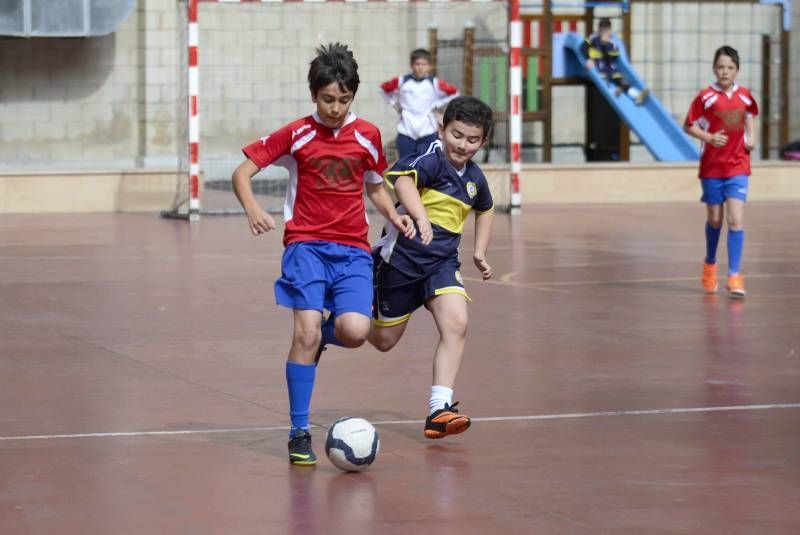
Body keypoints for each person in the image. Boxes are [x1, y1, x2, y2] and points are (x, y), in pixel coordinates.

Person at [231, 42, 415, 466]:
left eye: (344, 99)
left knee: (354, 332)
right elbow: (243, 171)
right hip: (306, 247)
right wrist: (254, 207)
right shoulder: (297, 133)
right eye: (328, 99)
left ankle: (316, 342)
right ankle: (299, 431)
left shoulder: (367, 135)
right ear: (314, 94)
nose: (335, 107)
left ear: (354, 95)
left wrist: (393, 213)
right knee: (305, 332)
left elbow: (372, 183)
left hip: (352, 250)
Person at [372, 96, 495, 439]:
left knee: (457, 322)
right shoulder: (432, 158)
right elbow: (402, 181)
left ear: (483, 142)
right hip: (402, 261)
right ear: (442, 129)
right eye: (457, 135)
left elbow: (486, 209)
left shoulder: (474, 178)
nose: (463, 144)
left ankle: (438, 410)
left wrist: (480, 251)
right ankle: (338, 324)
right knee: (382, 341)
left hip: (442, 263)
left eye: (473, 140)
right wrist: (421, 216)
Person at [684, 45, 757, 298]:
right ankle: (710, 264)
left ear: (737, 70)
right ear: (714, 69)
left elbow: (749, 114)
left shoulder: (746, 95)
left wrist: (751, 136)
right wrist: (709, 137)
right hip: (712, 168)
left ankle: (735, 276)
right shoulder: (705, 97)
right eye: (720, 67)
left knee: (735, 219)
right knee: (715, 219)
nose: (725, 72)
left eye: (730, 67)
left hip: (738, 166)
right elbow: (688, 125)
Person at [379, 48, 459, 160]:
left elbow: (454, 92)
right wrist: (395, 104)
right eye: (417, 64)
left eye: (424, 64)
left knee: (430, 163)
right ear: (411, 65)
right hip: (406, 130)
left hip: (428, 130)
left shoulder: (434, 83)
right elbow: (382, 90)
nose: (420, 67)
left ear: (429, 66)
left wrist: (437, 105)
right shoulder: (402, 81)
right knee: (406, 164)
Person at [582, 18, 649, 105]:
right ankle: (613, 92)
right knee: (603, 79)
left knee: (622, 81)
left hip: (610, 69)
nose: (605, 33)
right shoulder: (594, 39)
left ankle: (636, 96)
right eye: (603, 30)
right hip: (599, 69)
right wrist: (589, 59)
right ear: (599, 30)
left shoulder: (612, 43)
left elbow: (614, 56)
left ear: (609, 31)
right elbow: (583, 47)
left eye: (607, 31)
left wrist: (606, 45)